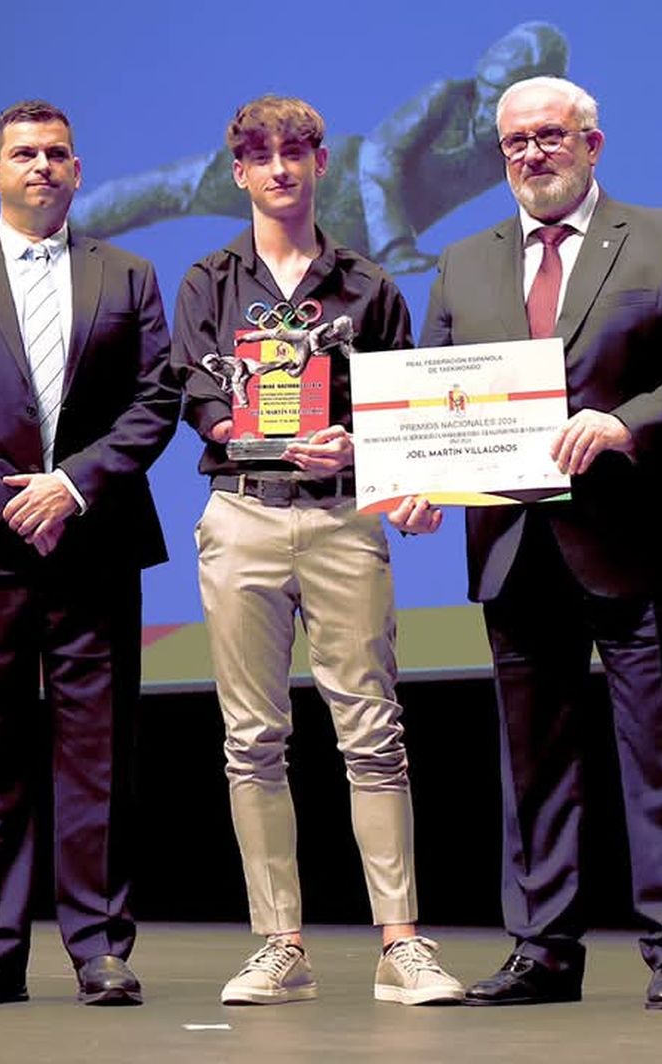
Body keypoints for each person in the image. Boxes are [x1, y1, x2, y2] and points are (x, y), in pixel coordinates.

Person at [400, 76, 662, 1010]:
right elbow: (438, 397)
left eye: (550, 136)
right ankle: (542, 949)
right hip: (515, 542)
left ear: (593, 144)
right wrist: (419, 484)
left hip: (645, 538)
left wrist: (627, 423)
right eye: (514, 143)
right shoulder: (462, 262)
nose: (530, 155)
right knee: (533, 765)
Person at [171, 95, 463, 1008]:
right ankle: (279, 944)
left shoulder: (369, 285)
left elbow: (399, 414)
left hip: (342, 518)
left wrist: (371, 458)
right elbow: (196, 399)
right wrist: (255, 437)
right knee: (251, 739)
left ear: (323, 163)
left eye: (297, 152)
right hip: (244, 516)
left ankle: (401, 944)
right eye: (262, 155)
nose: (281, 168)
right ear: (242, 172)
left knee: (373, 732)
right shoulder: (208, 281)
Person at [0, 100, 179, 1007]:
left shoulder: (128, 272)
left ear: (78, 170)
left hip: (92, 541)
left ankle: (98, 944)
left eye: (57, 154)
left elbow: (157, 396)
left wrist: (73, 485)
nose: (42, 167)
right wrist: (5, 499)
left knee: (98, 754)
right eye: (24, 154)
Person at [71, 22, 568, 274]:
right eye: (486, 86)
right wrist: (396, 244)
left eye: (503, 95)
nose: (487, 106)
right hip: (331, 178)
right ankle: (60, 230)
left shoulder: (521, 143)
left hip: (355, 235)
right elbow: (380, 157)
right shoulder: (446, 96)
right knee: (180, 187)